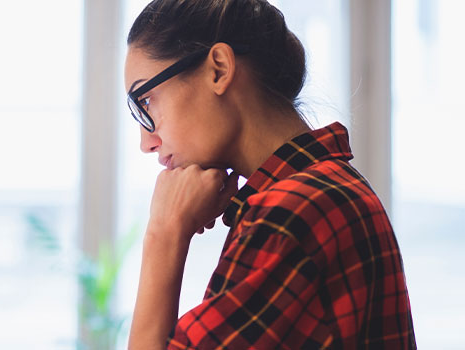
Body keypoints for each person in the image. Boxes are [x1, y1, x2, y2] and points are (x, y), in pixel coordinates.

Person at [123, 0, 416, 349]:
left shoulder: (291, 213)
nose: (146, 142)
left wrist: (164, 234)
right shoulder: (322, 189)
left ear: (218, 69)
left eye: (146, 101)